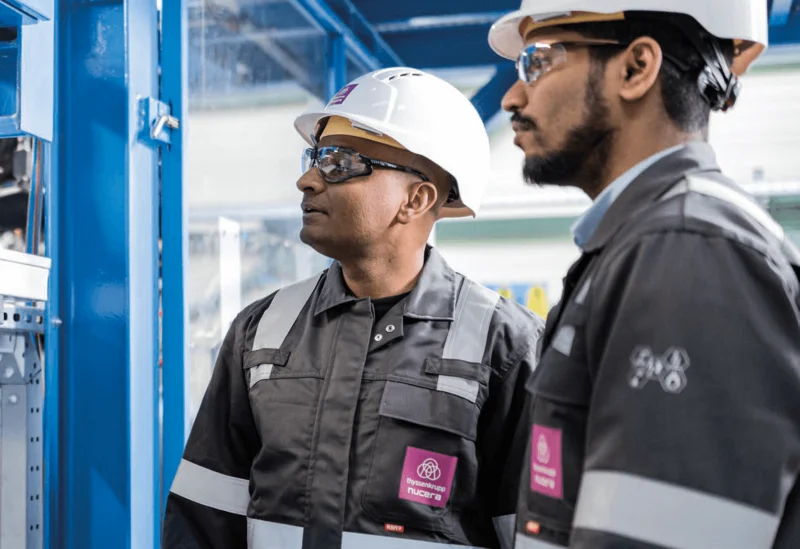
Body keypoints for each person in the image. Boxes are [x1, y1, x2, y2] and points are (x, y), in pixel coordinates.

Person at [162, 67, 545, 549]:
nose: (307, 180)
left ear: (417, 198)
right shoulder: (260, 333)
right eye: (313, 158)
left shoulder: (506, 346)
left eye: (338, 162)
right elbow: (202, 520)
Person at [486, 1, 800, 548]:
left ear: (635, 69)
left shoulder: (688, 249)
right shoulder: (643, 243)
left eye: (536, 63)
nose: (512, 97)